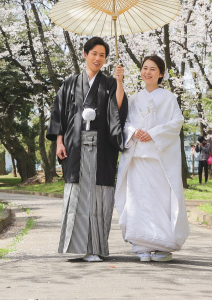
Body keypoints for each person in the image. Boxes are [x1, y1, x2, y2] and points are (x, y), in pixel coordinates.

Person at [47, 37, 126, 262]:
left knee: (99, 195)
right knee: (78, 193)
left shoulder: (110, 83)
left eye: (102, 55)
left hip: (102, 148)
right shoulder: (71, 82)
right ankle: (78, 246)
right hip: (75, 145)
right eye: (94, 54)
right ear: (85, 55)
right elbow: (58, 113)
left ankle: (96, 248)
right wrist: (59, 141)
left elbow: (118, 111)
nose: (98, 58)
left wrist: (119, 82)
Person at [115, 55, 189, 262]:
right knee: (139, 200)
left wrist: (154, 133)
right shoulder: (134, 98)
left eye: (153, 69)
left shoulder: (168, 98)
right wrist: (134, 130)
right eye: (144, 68)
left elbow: (176, 122)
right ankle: (142, 245)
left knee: (160, 200)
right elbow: (126, 122)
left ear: (161, 74)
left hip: (158, 159)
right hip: (138, 157)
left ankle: (163, 245)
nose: (147, 72)